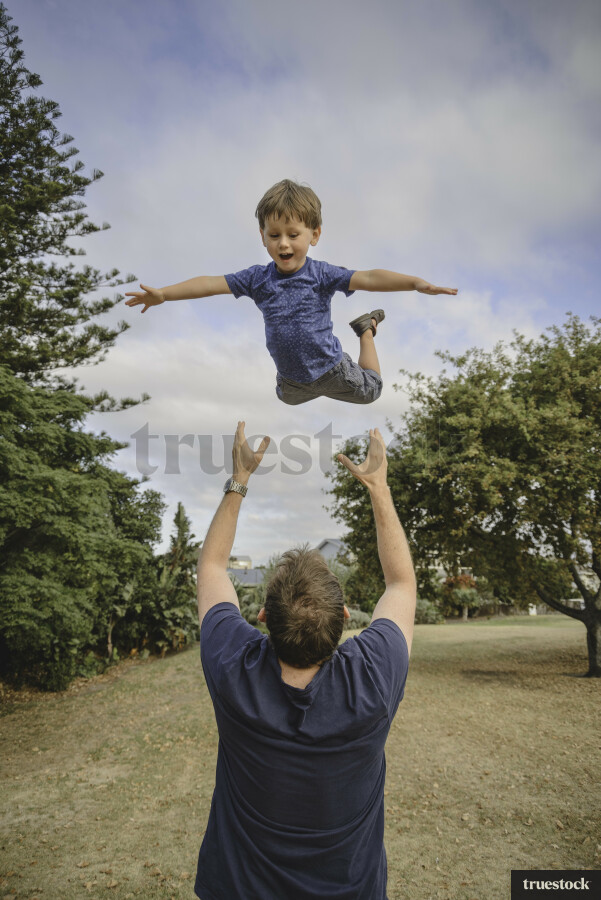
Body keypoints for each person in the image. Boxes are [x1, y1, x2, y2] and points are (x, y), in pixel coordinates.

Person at [195, 420, 417, 900]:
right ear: (343, 617)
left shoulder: (234, 668)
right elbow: (400, 584)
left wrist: (240, 479)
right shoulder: (372, 680)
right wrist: (378, 487)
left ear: (260, 618)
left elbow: (212, 566)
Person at [125, 179, 457, 405]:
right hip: (292, 383)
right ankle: (303, 379)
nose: (283, 243)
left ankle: (366, 330)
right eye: (274, 235)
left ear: (314, 235)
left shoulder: (322, 274)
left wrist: (414, 283)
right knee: (284, 400)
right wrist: (164, 294)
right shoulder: (257, 279)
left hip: (330, 370)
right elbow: (210, 284)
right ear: (262, 236)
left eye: (293, 234)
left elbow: (370, 277)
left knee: (372, 392)